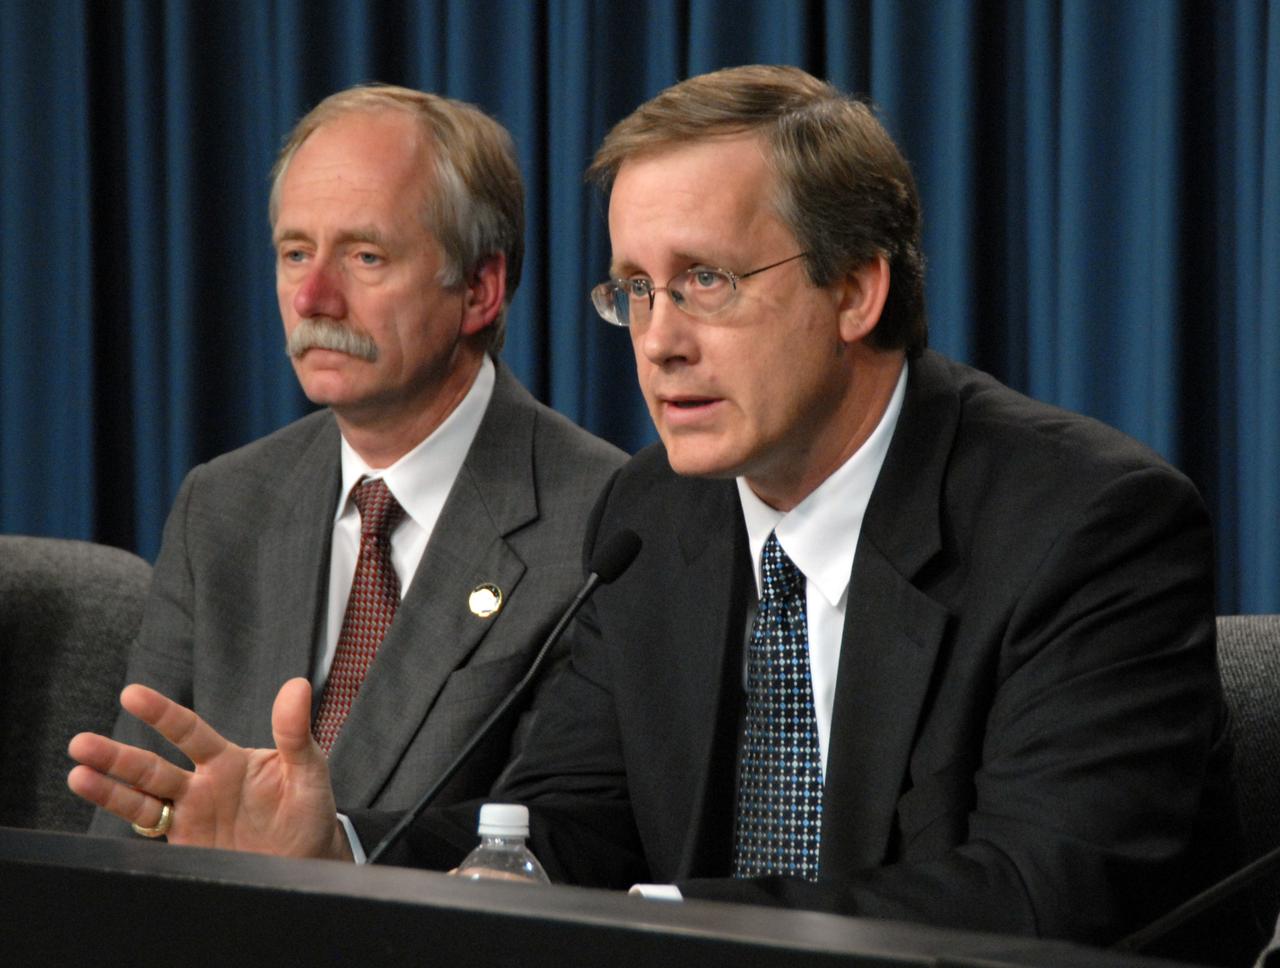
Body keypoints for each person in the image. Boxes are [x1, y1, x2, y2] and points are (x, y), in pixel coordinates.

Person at [70, 65, 1245, 961]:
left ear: (855, 288)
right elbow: (562, 824)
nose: (659, 338)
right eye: (632, 288)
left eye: (707, 281)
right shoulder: (659, 512)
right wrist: (338, 851)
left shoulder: (1086, 525)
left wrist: (656, 922)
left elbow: (1041, 898)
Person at [85, 84, 625, 838]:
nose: (312, 296)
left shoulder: (602, 523)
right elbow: (134, 821)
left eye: (365, 256)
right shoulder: (224, 504)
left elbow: (555, 850)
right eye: (295, 252)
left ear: (479, 290)